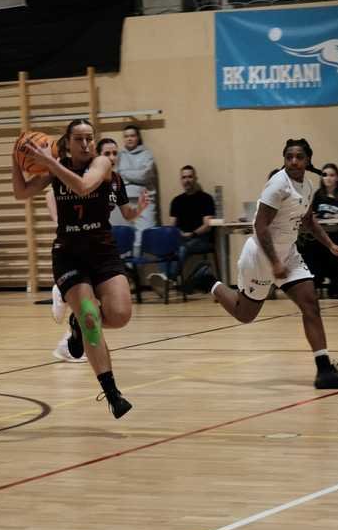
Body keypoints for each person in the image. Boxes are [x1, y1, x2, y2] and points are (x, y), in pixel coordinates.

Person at [188, 139, 338, 389]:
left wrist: (331, 245)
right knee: (245, 315)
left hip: (288, 254)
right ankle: (209, 281)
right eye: (289, 157)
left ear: (307, 160)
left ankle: (324, 370)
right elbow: (260, 227)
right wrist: (274, 262)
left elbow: (308, 221)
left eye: (299, 157)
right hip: (261, 256)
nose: (293, 161)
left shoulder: (308, 186)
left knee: (310, 303)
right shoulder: (278, 185)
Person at [13, 119, 134, 418]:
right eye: (79, 139)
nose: (86, 144)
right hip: (69, 255)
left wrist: (50, 164)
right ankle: (112, 393)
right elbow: (21, 192)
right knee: (91, 315)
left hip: (102, 251)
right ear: (67, 143)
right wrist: (16, 158)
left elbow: (82, 187)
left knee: (120, 316)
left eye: (89, 138)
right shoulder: (55, 168)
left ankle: (77, 327)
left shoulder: (101, 163)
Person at [46, 137, 148, 362]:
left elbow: (127, 213)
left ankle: (76, 325)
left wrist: (138, 209)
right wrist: (59, 222)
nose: (112, 157)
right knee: (89, 298)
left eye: (115, 153)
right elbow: (51, 194)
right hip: (74, 246)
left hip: (100, 246)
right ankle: (62, 291)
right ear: (97, 156)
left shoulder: (116, 181)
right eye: (107, 153)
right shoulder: (84, 176)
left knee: (115, 312)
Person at [148, 165, 216, 293]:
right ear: (181, 180)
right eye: (184, 177)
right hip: (181, 238)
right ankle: (166, 278)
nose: (187, 180)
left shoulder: (206, 199)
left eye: (190, 177)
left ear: (195, 178)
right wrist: (179, 233)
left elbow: (207, 225)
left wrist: (192, 234)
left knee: (183, 248)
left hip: (201, 239)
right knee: (165, 244)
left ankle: (168, 279)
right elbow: (172, 226)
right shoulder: (177, 201)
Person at [298, 163, 338, 298]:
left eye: (332, 175)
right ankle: (315, 281)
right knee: (309, 248)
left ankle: (337, 285)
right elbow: (312, 214)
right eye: (325, 175)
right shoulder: (319, 194)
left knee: (330, 248)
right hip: (322, 234)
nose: (328, 178)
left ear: (337, 177)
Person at [116, 124, 158, 255]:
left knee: (145, 237)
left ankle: (141, 265)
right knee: (124, 239)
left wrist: (124, 174)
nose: (129, 139)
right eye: (126, 136)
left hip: (144, 201)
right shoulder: (119, 155)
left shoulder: (147, 154)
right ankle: (128, 267)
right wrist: (135, 175)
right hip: (124, 201)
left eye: (132, 136)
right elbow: (116, 176)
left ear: (138, 137)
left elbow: (145, 176)